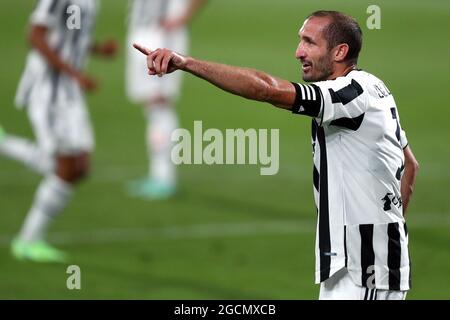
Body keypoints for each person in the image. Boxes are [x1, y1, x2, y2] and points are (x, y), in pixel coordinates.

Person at [133, 10, 420, 299]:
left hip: (367, 269)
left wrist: (186, 63)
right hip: (351, 265)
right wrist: (390, 226)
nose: (298, 52)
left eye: (309, 43)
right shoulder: (373, 88)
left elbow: (267, 90)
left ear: (339, 52)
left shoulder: (350, 94)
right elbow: (411, 165)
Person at [0, 0, 117, 262]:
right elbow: (36, 36)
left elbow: (70, 37)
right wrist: (74, 73)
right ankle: (28, 240)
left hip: (68, 92)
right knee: (66, 167)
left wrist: (98, 49)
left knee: (80, 167)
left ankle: (4, 145)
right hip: (49, 90)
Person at [125, 0, 207, 200]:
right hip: (144, 29)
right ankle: (159, 175)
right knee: (153, 105)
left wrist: (181, 18)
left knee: (159, 104)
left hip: (162, 34)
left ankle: (163, 177)